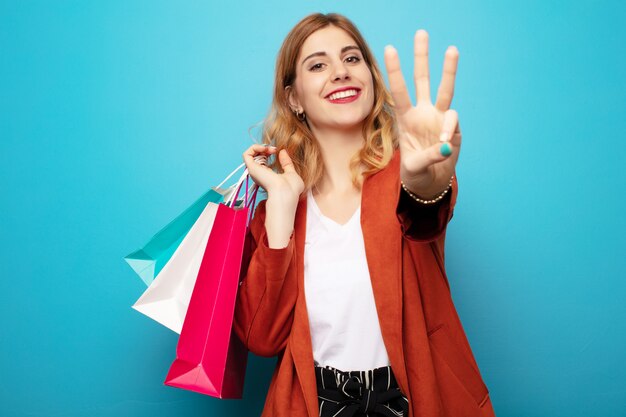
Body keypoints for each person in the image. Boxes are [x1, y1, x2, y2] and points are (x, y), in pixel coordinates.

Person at [233, 12, 496, 417]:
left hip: (415, 401)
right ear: (294, 98)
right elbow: (262, 339)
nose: (340, 72)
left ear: (371, 77)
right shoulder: (279, 207)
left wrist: (426, 184)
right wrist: (281, 212)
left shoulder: (410, 172)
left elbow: (425, 212)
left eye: (352, 59)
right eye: (318, 65)